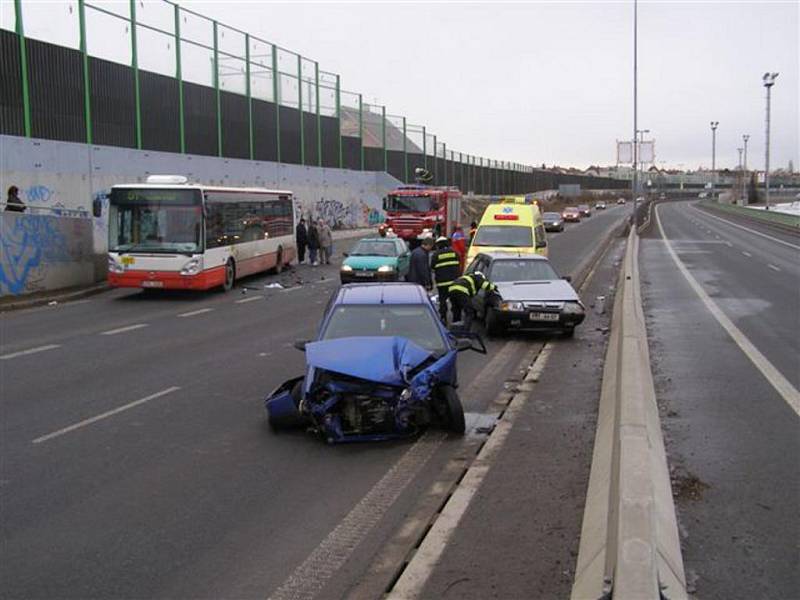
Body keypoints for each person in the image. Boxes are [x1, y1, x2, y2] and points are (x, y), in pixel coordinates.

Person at [430, 236, 461, 323]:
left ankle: (443, 318)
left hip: (442, 283)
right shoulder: (455, 253)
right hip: (455, 282)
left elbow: (432, 267)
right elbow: (459, 263)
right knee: (455, 300)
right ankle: (456, 319)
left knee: (443, 301)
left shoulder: (436, 255)